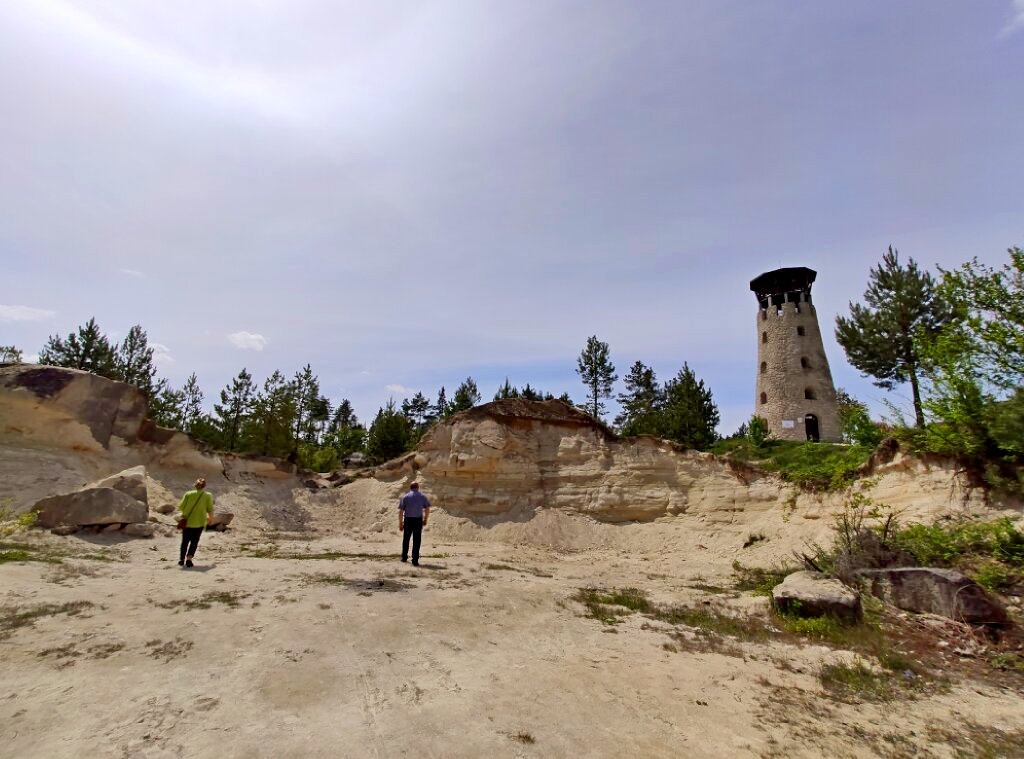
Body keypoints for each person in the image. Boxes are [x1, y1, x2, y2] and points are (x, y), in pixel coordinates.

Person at [178, 477, 214, 568]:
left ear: (195, 485)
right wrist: (210, 519)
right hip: (200, 522)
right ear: (204, 486)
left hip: (188, 521)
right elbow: (210, 509)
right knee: (194, 541)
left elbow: (181, 507)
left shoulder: (188, 494)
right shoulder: (208, 495)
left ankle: (182, 559)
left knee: (185, 541)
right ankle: (189, 559)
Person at [398, 481, 430, 566]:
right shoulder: (422, 496)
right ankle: (415, 560)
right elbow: (427, 509)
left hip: (408, 520)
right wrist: (425, 519)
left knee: (406, 539)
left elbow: (401, 511)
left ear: (410, 487)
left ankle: (404, 557)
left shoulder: (405, 497)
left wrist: (400, 523)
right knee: (417, 540)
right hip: (418, 520)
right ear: (418, 487)